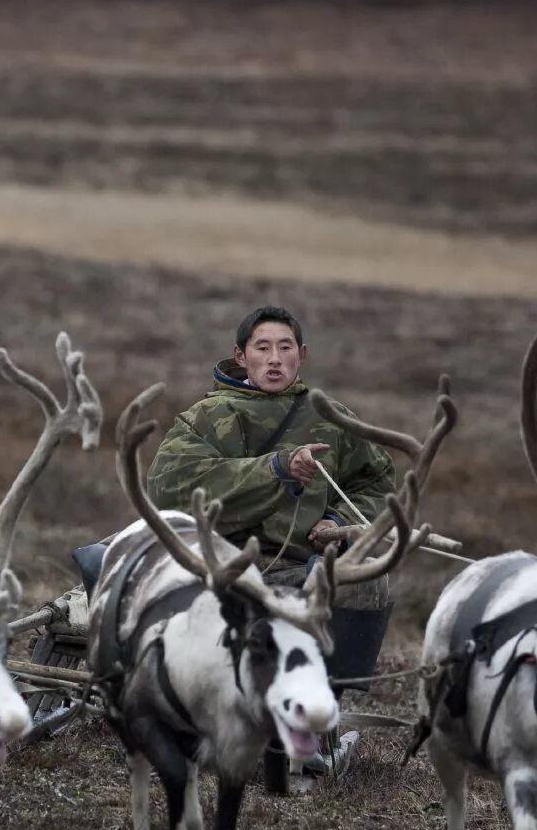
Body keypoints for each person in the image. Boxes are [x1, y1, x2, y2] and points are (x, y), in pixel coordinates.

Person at [145, 305, 396, 787]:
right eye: (262, 348)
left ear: (302, 356)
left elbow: (380, 483)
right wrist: (275, 470)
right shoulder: (207, 417)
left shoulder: (333, 419)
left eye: (285, 348)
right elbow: (169, 488)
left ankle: (320, 713)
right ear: (240, 356)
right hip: (222, 562)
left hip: (306, 566)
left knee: (367, 580)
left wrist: (339, 520)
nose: (274, 359)